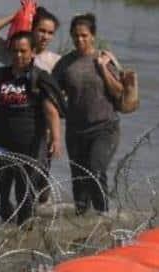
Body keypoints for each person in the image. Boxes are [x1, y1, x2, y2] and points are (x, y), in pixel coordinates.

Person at [0, 31, 63, 225]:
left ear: (33, 52)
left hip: (30, 146)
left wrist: (55, 139)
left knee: (25, 196)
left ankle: (24, 234)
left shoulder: (40, 78)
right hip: (1, 144)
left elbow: (51, 112)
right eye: (14, 51)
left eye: (23, 51)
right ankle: (10, 230)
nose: (18, 55)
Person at [52, 13, 133, 215]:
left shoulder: (105, 59)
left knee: (95, 171)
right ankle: (82, 228)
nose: (80, 40)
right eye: (76, 36)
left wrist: (103, 68)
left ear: (93, 36)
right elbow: (51, 94)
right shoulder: (64, 64)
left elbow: (119, 92)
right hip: (75, 131)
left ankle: (103, 218)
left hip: (105, 128)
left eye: (84, 35)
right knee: (79, 185)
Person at [0, 3, 62, 73]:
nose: (45, 37)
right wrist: (17, 16)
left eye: (50, 33)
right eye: (42, 31)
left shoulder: (56, 61)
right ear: (32, 29)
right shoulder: (15, 53)